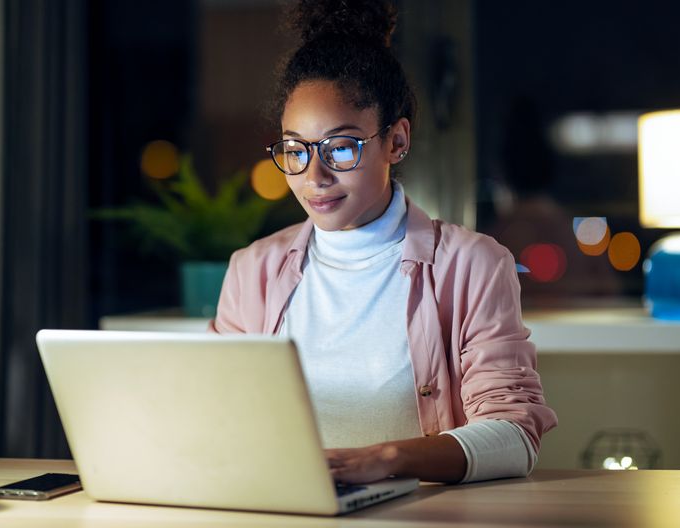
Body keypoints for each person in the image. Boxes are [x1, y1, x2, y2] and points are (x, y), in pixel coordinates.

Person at [210, 0, 557, 484]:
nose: (315, 176)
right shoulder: (254, 269)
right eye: (295, 150)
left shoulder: (471, 263)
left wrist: (389, 459)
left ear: (395, 141)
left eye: (341, 147)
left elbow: (515, 434)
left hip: (419, 512)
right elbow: (217, 415)